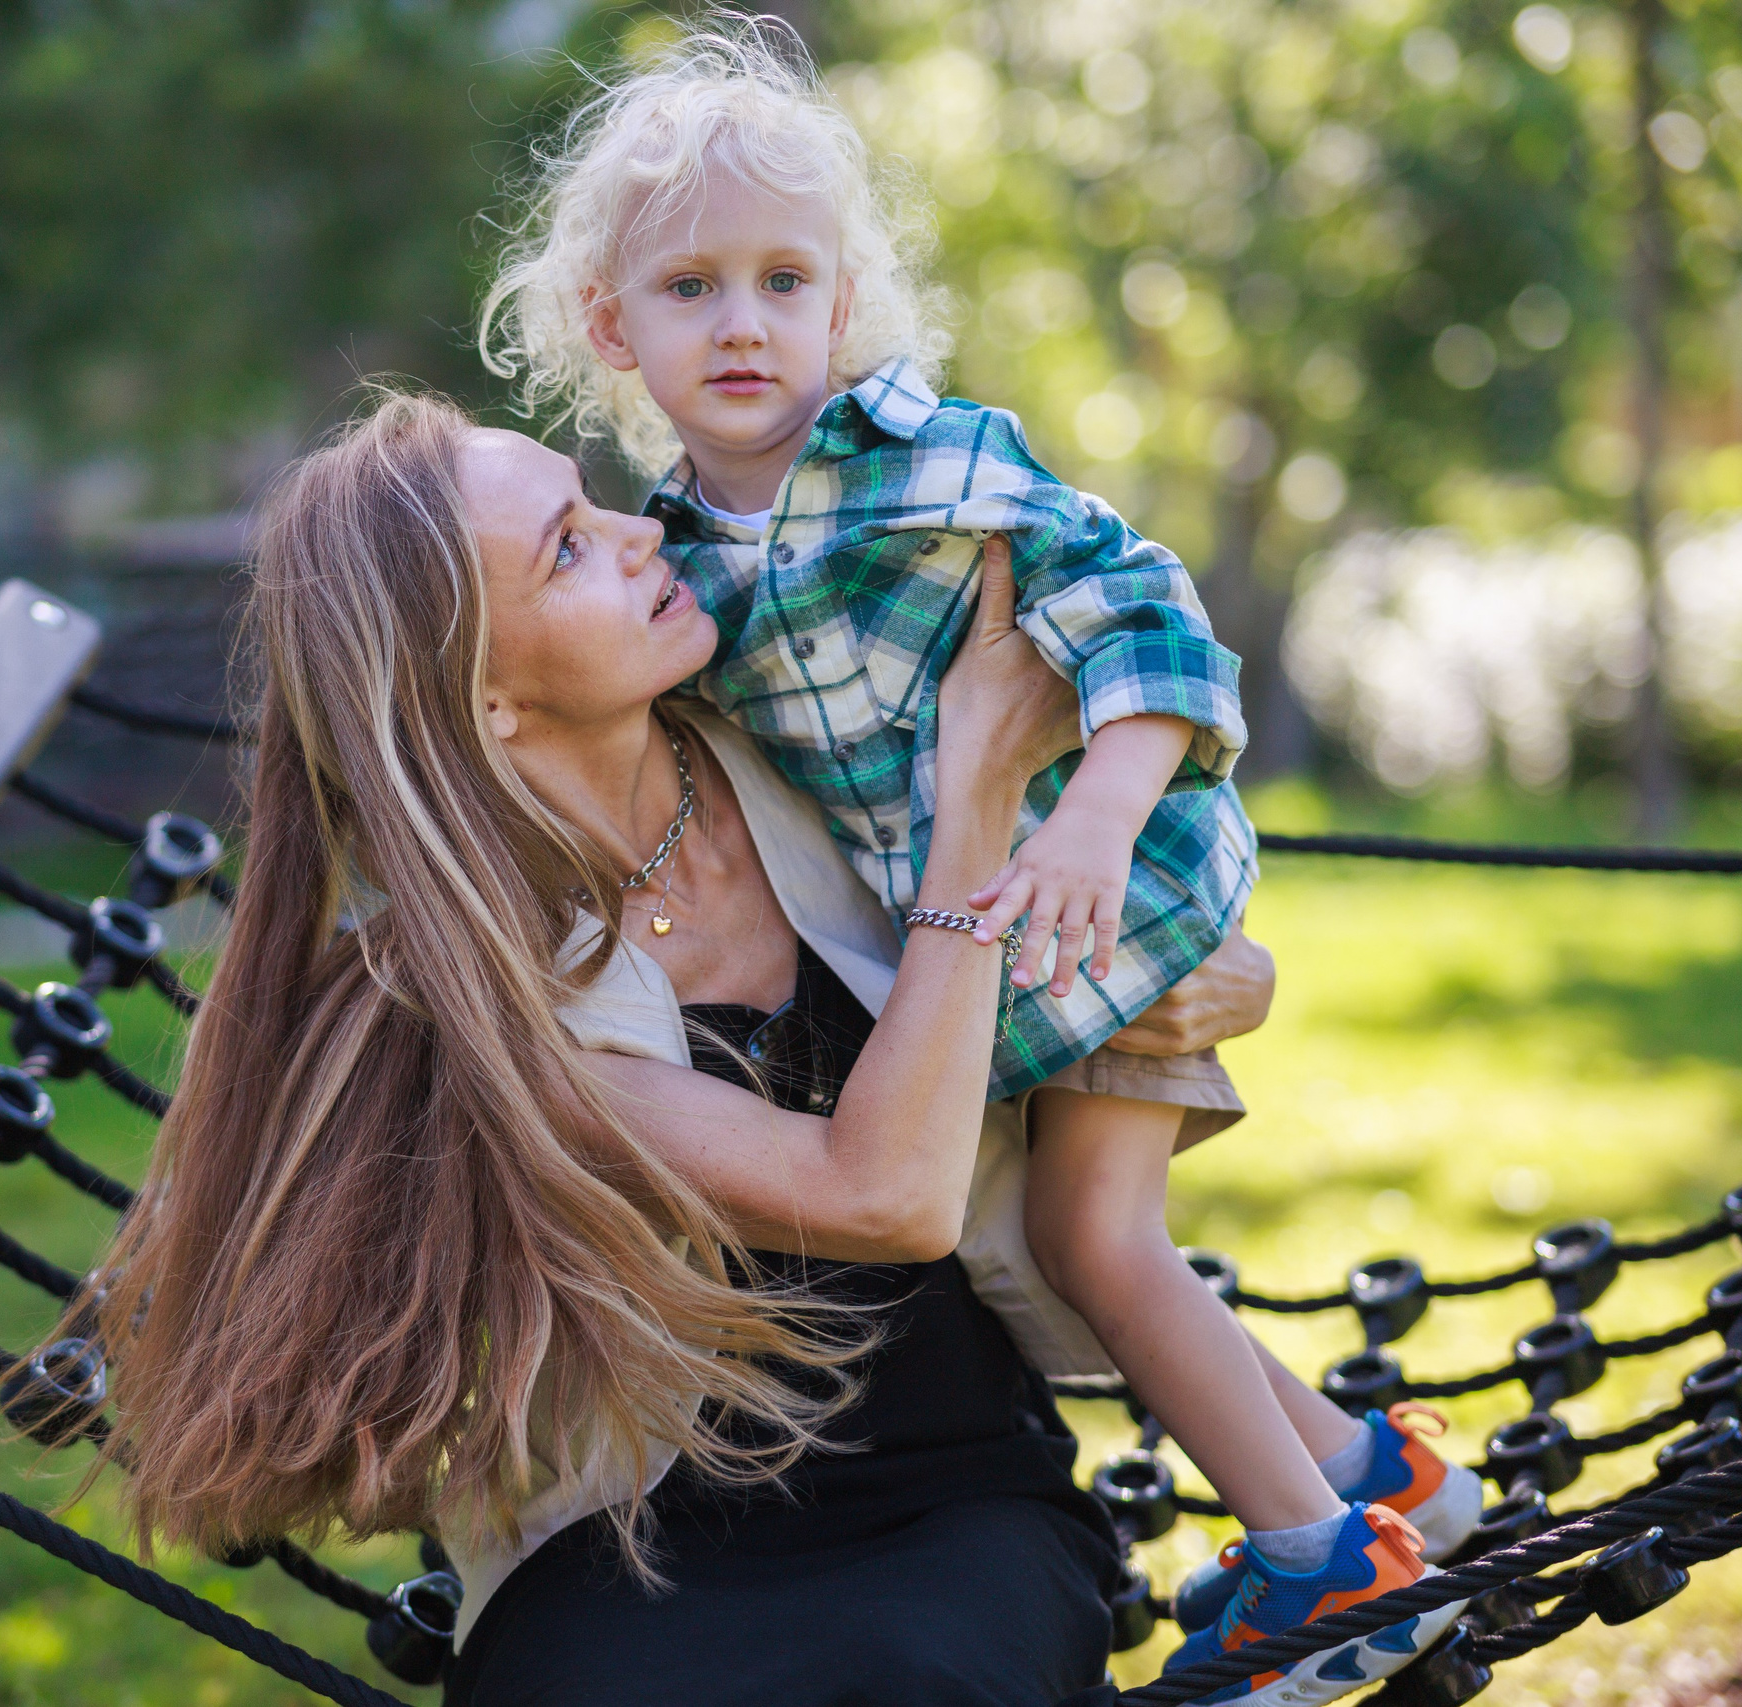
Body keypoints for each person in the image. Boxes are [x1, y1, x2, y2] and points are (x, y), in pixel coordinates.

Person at [477, 21, 1476, 1695]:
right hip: (1012, 952)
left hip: (1108, 876)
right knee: (1095, 1238)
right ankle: (1388, 1490)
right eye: (692, 288)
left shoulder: (923, 462)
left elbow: (1142, 609)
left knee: (1104, 1243)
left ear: (842, 304)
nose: (744, 323)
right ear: (609, 326)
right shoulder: (693, 576)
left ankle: (1331, 1572)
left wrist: (1090, 821)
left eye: (786, 281)